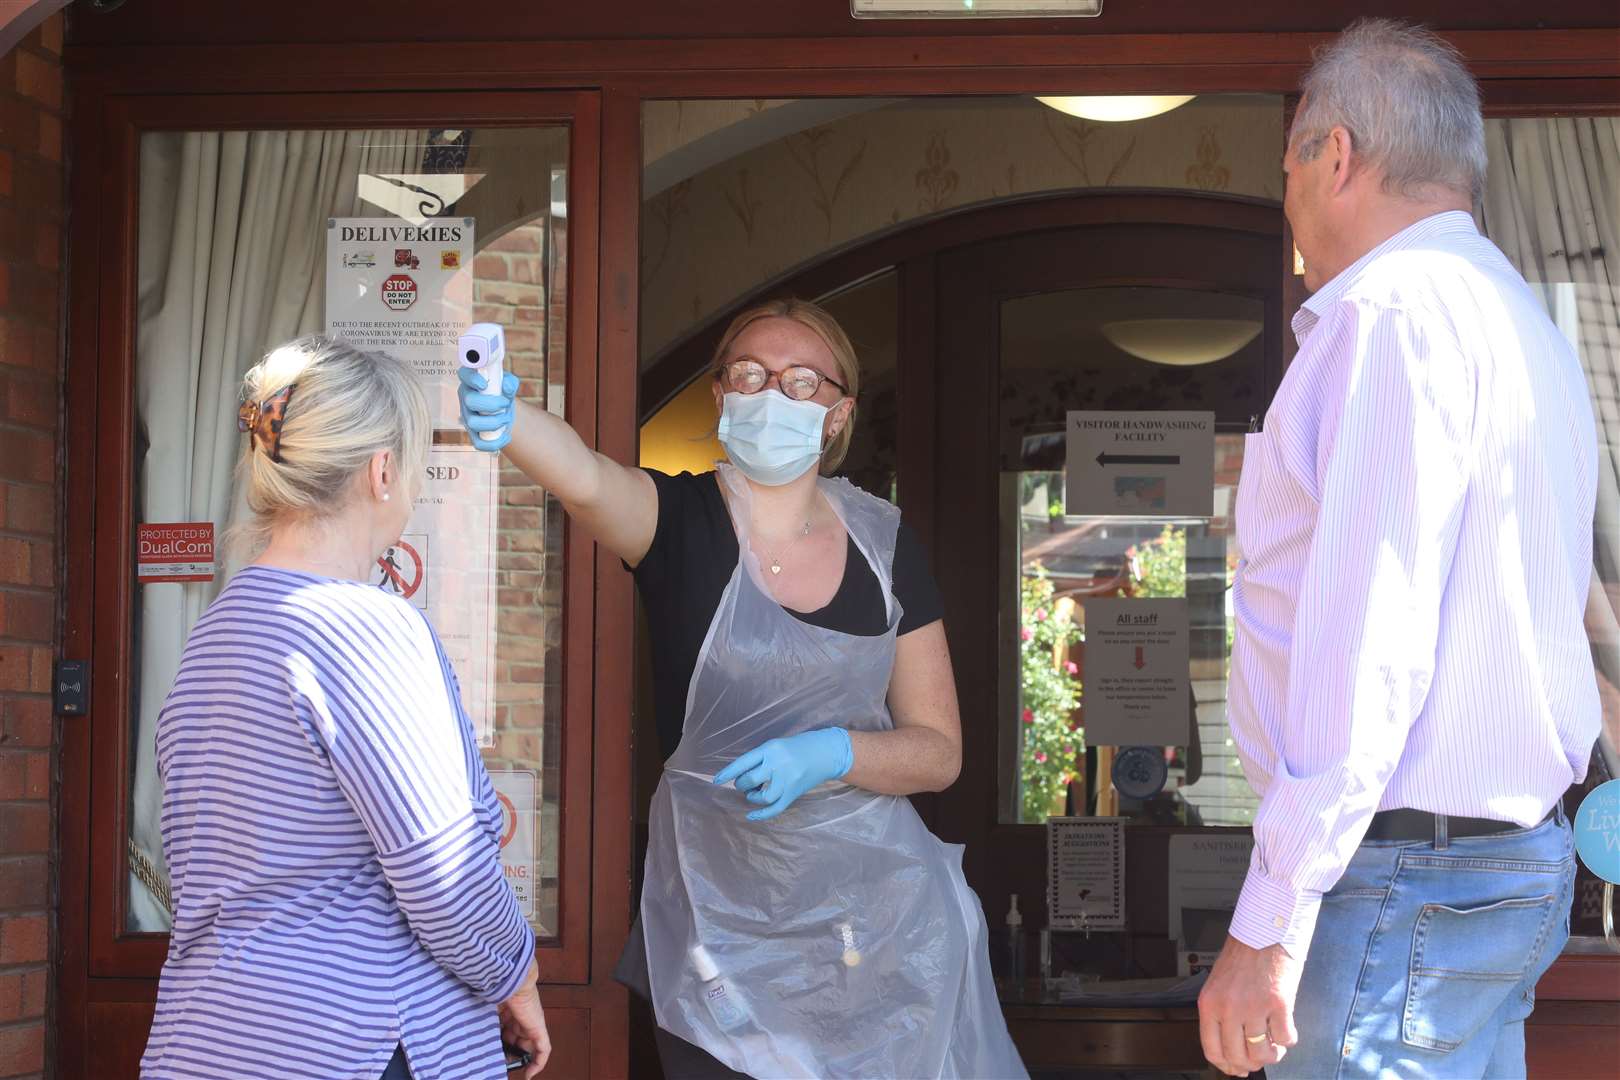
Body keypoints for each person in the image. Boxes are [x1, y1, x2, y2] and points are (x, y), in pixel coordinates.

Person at [459, 298, 1026, 1078]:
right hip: (717, 941)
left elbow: (938, 753)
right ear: (721, 397)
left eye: (800, 383)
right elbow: (588, 479)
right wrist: (510, 416)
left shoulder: (888, 545)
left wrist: (832, 752)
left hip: (883, 940)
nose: (770, 396)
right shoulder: (678, 521)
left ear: (837, 415)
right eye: (750, 376)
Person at [1198, 19, 1598, 1080]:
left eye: (1286, 164)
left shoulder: (1387, 318)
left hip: (1396, 878)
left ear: (1334, 155)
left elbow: (1367, 646)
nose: (1285, 199)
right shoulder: (1527, 329)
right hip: (1494, 867)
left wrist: (1266, 923)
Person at [141, 337, 550, 1080]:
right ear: (382, 471)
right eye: (417, 467)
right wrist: (515, 975)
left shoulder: (215, 634)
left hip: (208, 1041)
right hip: (350, 1043)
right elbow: (444, 872)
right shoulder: (365, 628)